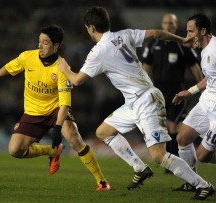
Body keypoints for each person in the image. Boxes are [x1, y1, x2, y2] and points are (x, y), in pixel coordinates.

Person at [57, 6, 214, 200]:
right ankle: (140, 168)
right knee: (103, 132)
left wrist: (64, 68)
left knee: (159, 156)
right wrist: (181, 39)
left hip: (146, 101)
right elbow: (156, 33)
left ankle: (203, 185)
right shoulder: (125, 34)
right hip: (134, 102)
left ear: (90, 28)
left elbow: (77, 80)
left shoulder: (97, 52)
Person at [0, 24, 111, 191]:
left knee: (74, 139)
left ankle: (102, 182)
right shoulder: (28, 57)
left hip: (56, 111)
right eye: (39, 41)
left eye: (45, 42)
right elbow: (12, 66)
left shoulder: (62, 68)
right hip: (32, 111)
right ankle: (52, 151)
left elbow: (64, 104)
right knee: (15, 150)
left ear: (56, 46)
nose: (40, 46)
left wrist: (57, 128)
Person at [141, 13, 203, 172]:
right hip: (158, 91)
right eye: (165, 23)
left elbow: (195, 70)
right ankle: (170, 161)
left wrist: (203, 90)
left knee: (173, 126)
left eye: (171, 23)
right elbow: (145, 68)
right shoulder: (152, 45)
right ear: (162, 25)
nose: (167, 26)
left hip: (176, 91)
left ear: (176, 26)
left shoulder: (183, 46)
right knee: (163, 127)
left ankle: (174, 162)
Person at [172, 13, 216, 194]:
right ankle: (193, 183)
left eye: (191, 31)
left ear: (202, 31)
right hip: (206, 102)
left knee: (203, 156)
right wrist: (188, 92)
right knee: (182, 138)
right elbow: (210, 78)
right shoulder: (205, 49)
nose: (187, 35)